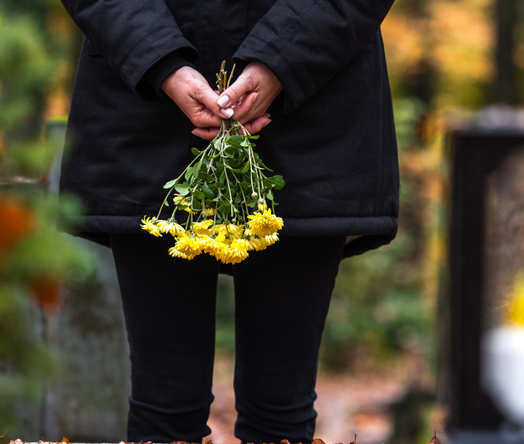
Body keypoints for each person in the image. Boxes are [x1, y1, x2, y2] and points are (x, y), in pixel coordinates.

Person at [57, 1, 399, 443]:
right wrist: (163, 64)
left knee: (280, 408)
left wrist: (282, 60)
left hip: (315, 100)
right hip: (145, 106)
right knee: (164, 405)